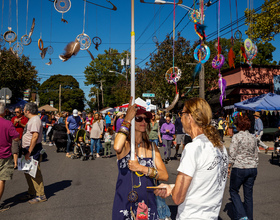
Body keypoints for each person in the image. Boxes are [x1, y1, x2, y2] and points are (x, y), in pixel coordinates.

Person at [155, 97, 228, 219]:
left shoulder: (193, 148)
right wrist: (171, 187)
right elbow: (203, 183)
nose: (181, 118)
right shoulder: (221, 147)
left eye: (182, 113)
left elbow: (178, 198)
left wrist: (173, 190)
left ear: (189, 117)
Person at [112, 97, 168, 220]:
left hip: (148, 203)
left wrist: (141, 168)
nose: (144, 121)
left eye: (146, 119)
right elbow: (116, 147)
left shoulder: (152, 147)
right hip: (124, 203)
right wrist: (127, 119)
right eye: (138, 118)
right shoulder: (125, 145)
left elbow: (164, 175)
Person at [228, 114, 258, 220]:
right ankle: (249, 217)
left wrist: (229, 166)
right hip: (252, 167)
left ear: (239, 125)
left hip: (239, 167)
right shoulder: (253, 137)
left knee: (233, 191)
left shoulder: (237, 137)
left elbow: (232, 152)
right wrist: (255, 164)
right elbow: (256, 154)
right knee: (248, 196)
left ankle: (242, 216)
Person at [21, 102, 47, 204]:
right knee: (28, 172)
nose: (23, 111)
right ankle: (32, 192)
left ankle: (41, 195)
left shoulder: (35, 120)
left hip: (32, 149)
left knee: (35, 172)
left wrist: (29, 151)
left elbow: (35, 136)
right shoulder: (32, 119)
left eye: (24, 109)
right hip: (28, 149)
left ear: (28, 111)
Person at [0, 102, 19, 212]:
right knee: (1, 180)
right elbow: (16, 137)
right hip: (4, 155)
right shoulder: (7, 124)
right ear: (4, 112)